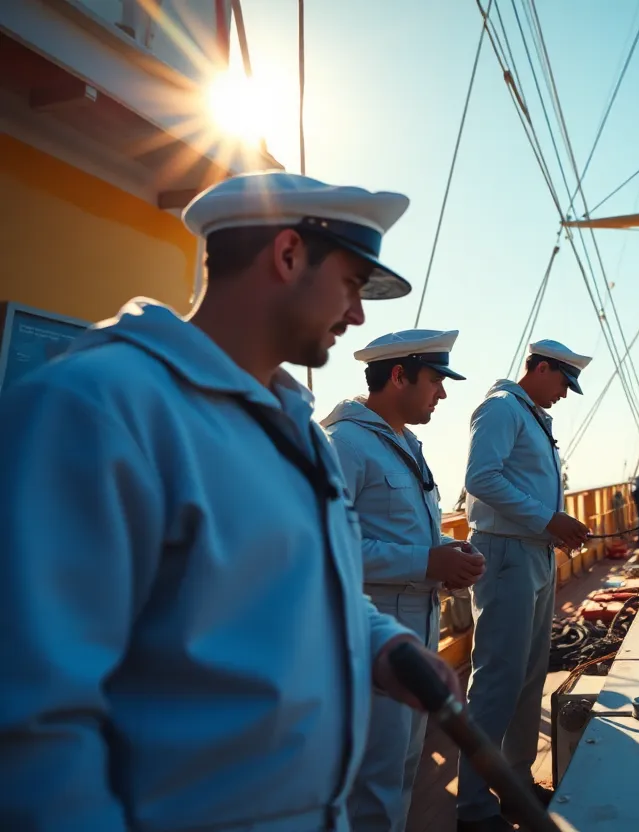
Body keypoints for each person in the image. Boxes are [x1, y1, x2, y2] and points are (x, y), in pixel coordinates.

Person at [0, 171, 462, 832]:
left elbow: (304, 583)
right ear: (288, 255)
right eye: (354, 285)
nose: (358, 314)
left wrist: (385, 646)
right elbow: (31, 728)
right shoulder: (98, 409)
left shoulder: (292, 423)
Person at [322, 329, 487, 831]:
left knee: (404, 767)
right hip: (374, 631)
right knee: (377, 778)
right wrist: (425, 562)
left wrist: (446, 556)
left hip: (417, 622)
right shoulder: (343, 445)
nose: (442, 392)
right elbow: (327, 547)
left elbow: (398, 527)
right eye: (436, 379)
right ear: (399, 376)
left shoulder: (404, 445)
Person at [459, 339, 592, 831]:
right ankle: (471, 807)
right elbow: (481, 478)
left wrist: (553, 528)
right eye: (562, 381)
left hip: (532, 552)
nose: (563, 393)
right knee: (497, 681)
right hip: (507, 554)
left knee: (529, 677)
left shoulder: (532, 415)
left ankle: (514, 785)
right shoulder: (500, 409)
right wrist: (547, 519)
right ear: (539, 368)